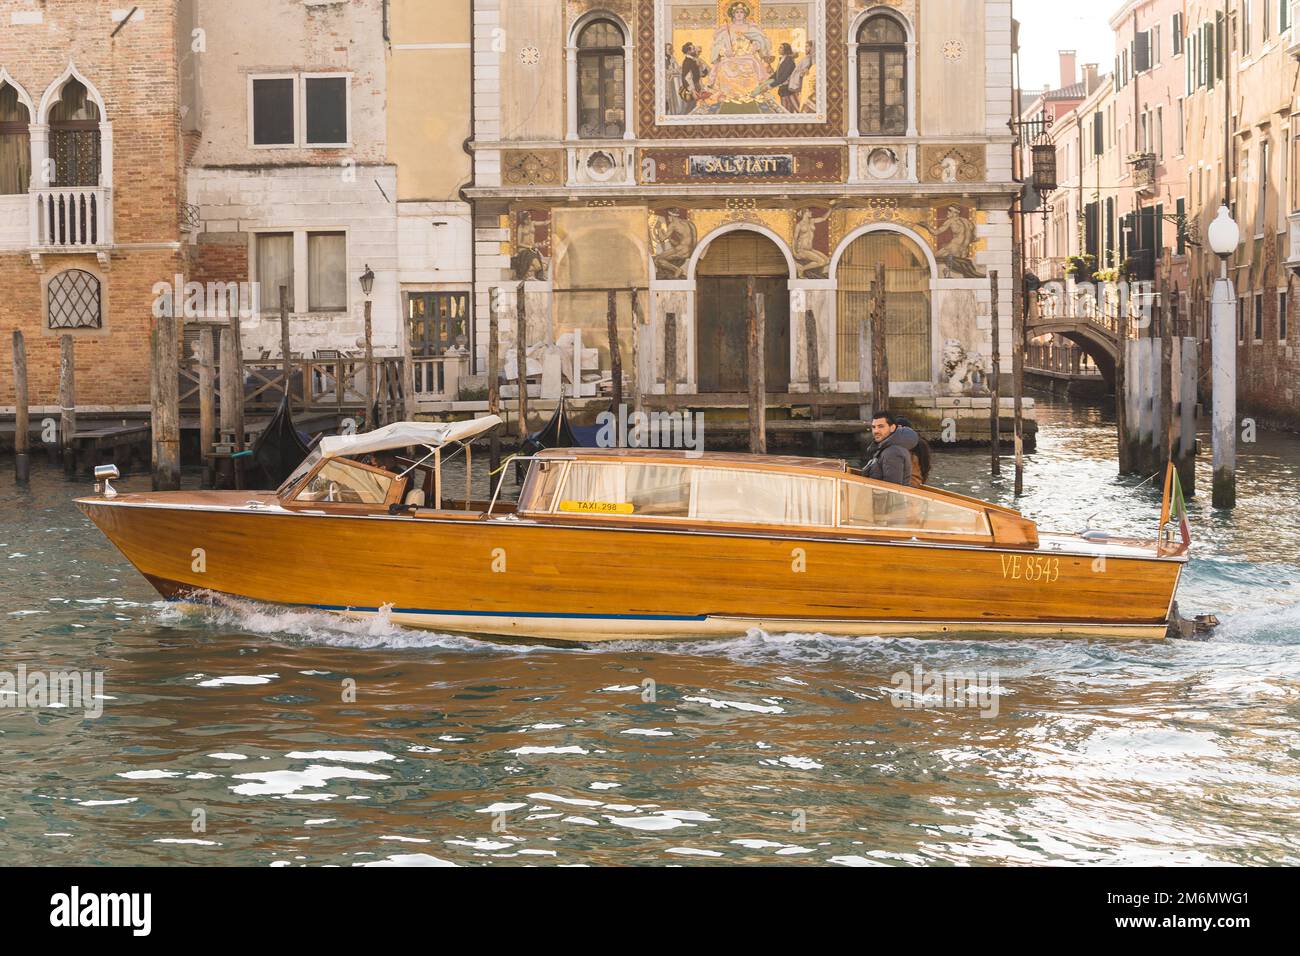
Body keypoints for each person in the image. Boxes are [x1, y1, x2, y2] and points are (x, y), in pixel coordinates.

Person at [862, 411, 923, 487]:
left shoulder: (892, 452)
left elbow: (892, 489)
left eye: (881, 426)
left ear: (892, 428)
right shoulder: (887, 449)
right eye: (874, 427)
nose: (876, 431)